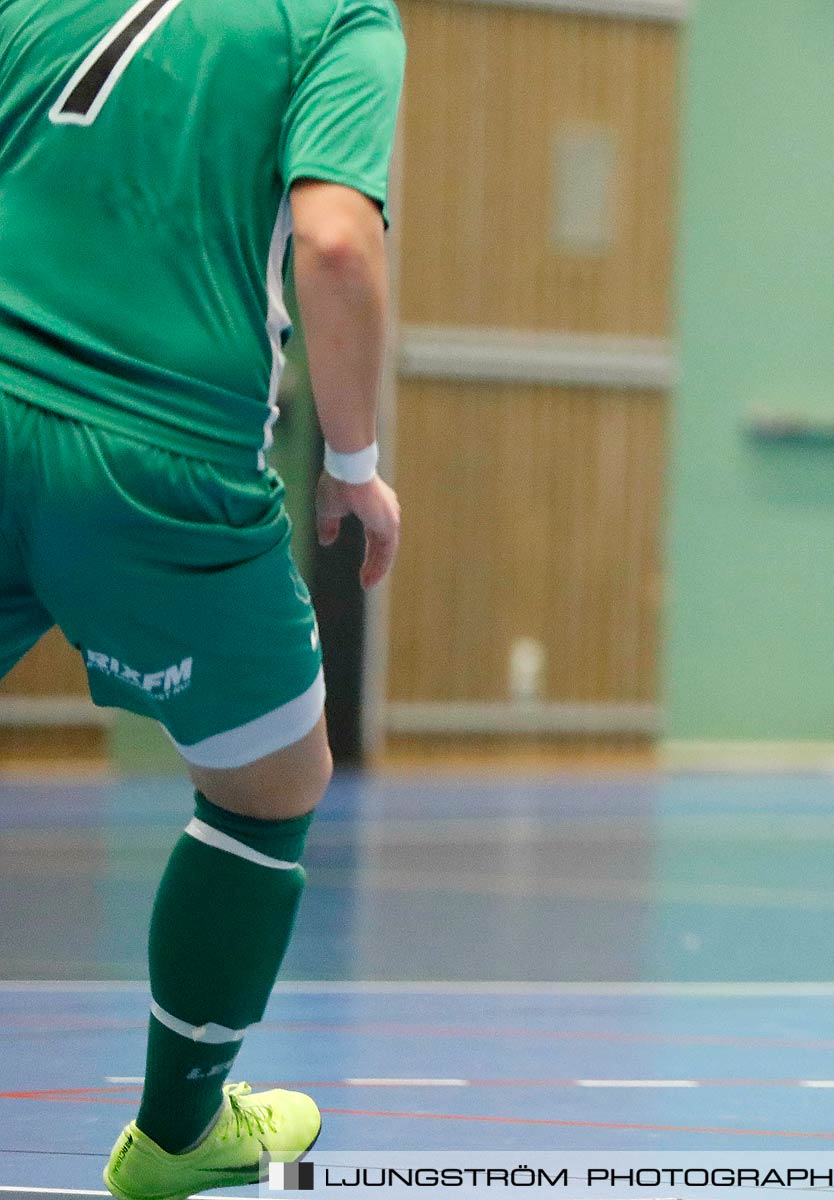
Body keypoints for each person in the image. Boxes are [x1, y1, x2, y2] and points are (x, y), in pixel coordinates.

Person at [0, 3, 404, 1196]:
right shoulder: (335, 22)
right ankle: (178, 1135)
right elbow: (335, 243)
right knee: (271, 780)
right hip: (157, 450)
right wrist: (351, 464)